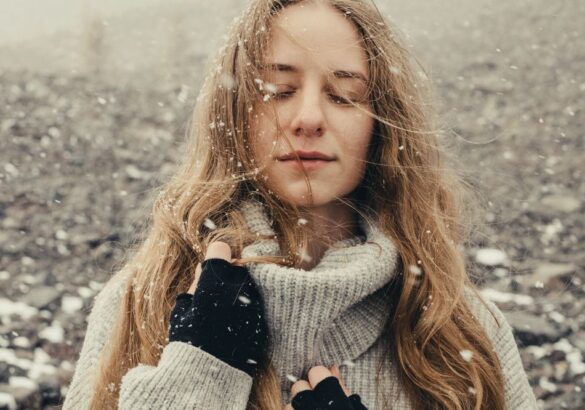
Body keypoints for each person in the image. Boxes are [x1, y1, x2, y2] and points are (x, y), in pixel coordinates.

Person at [62, 0, 539, 409]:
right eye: (278, 91)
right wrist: (196, 381)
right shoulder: (141, 302)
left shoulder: (459, 328)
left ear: (382, 125)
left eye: (344, 95)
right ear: (234, 114)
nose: (308, 117)